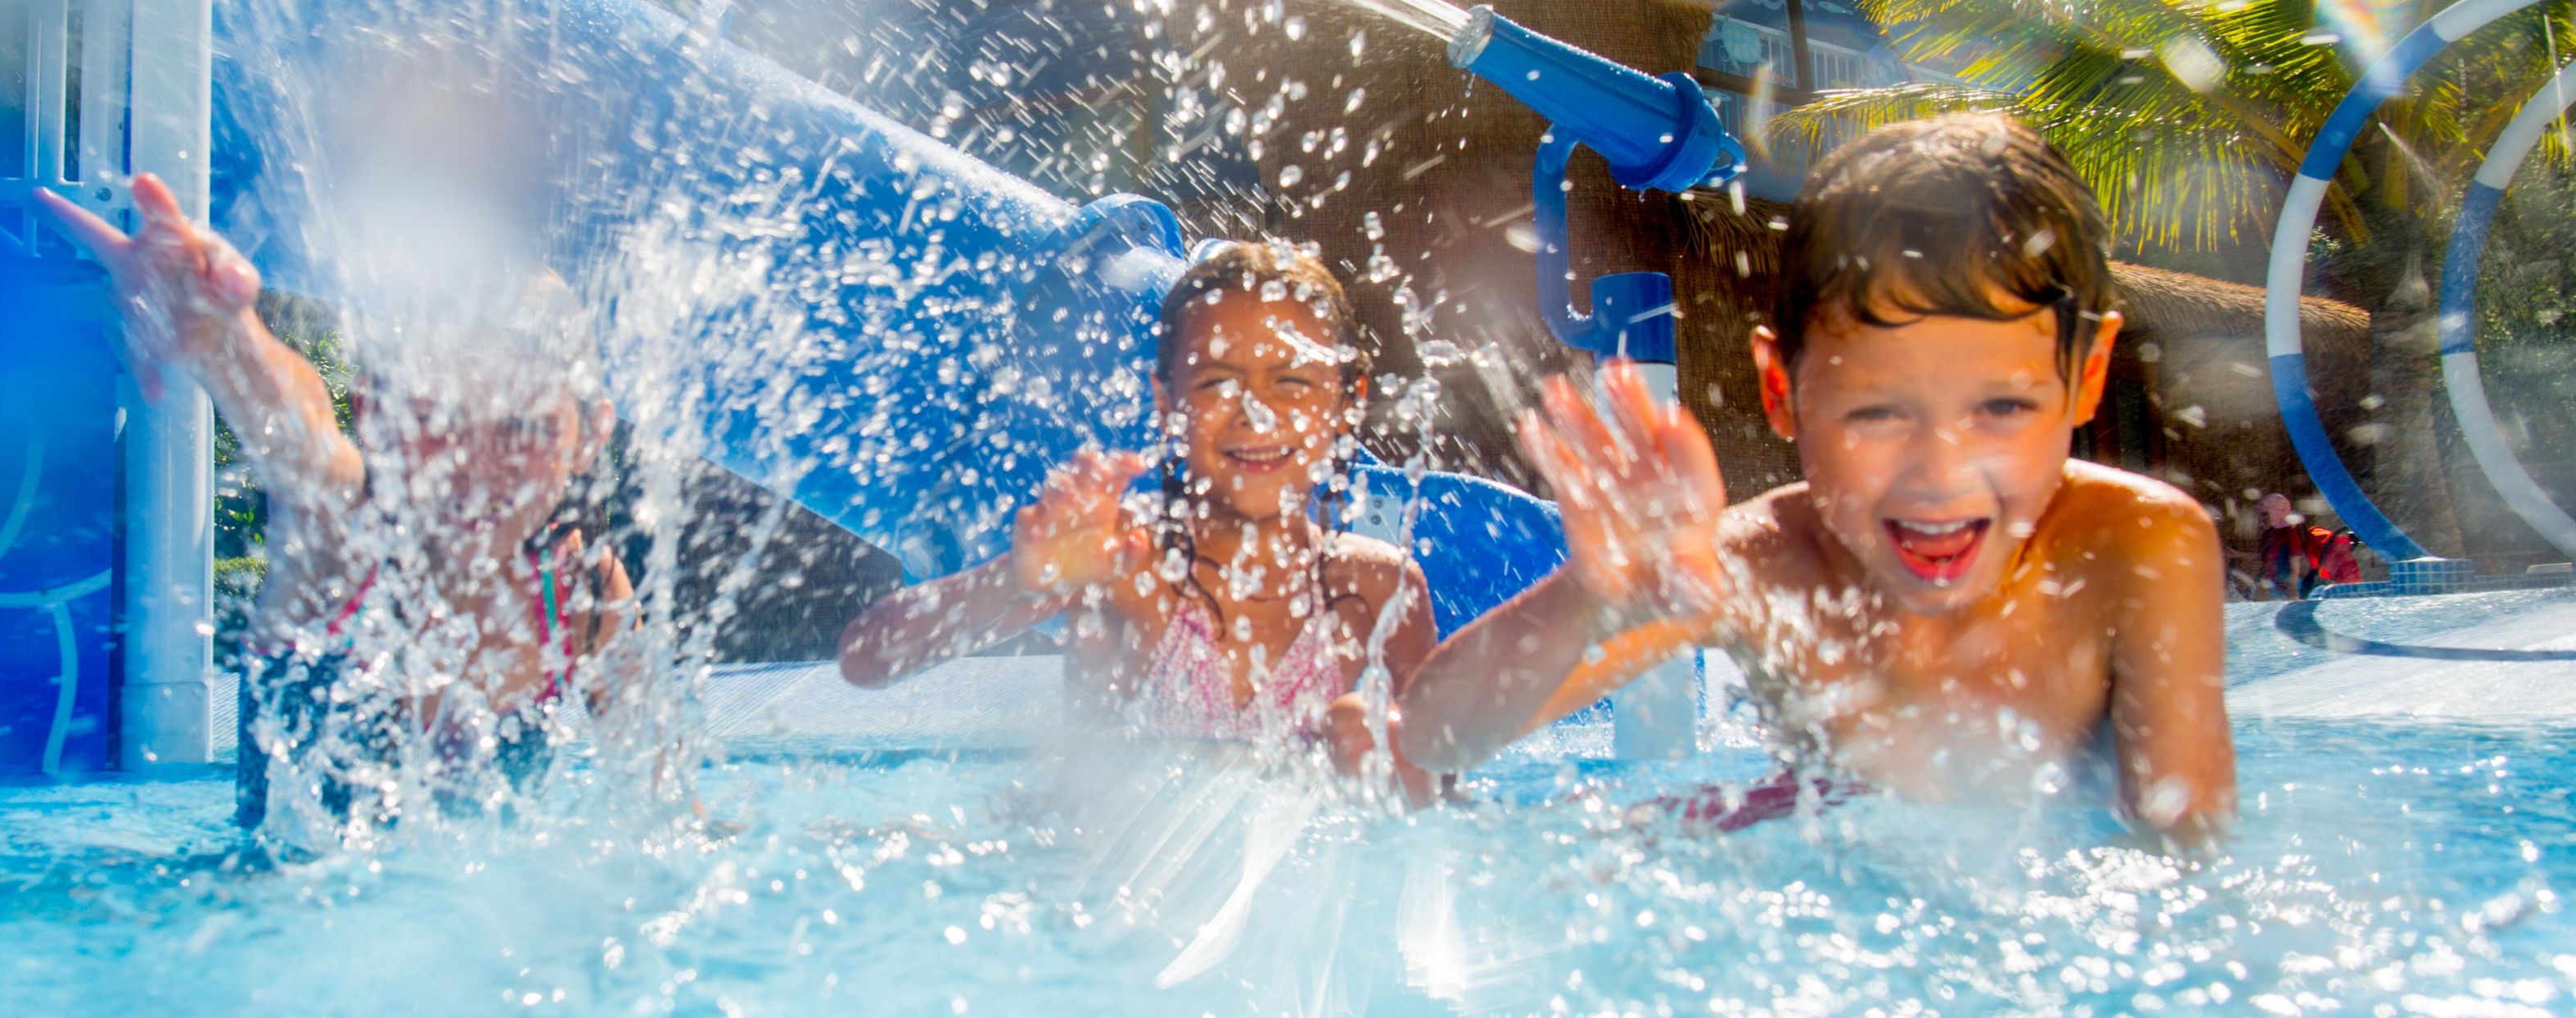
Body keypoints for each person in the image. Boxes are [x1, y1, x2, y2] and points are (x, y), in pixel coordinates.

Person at [1391, 112, 2235, 846]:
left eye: (2002, 407)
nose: (1939, 473)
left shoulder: (2135, 547)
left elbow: (2182, 837)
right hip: (1828, 863)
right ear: (1780, 389)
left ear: (2086, 379)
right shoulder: (1750, 568)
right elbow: (1436, 737)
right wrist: (1594, 593)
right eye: (1875, 413)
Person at [32, 174, 635, 834]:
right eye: (438, 419)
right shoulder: (341, 541)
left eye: (525, 428)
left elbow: (668, 814)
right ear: (375, 416)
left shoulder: (585, 593)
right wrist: (225, 336)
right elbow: (301, 436)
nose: (478, 465)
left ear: (590, 436)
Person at [833, 241, 1440, 792]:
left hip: (1266, 893)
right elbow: (868, 660)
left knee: (1373, 732)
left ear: (1347, 400)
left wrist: (1378, 751)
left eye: (1291, 381)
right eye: (1218, 384)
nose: (1256, 414)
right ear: (1167, 403)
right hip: (1092, 881)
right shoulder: (1123, 560)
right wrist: (1014, 578)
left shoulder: (1382, 588)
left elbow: (1444, 785)